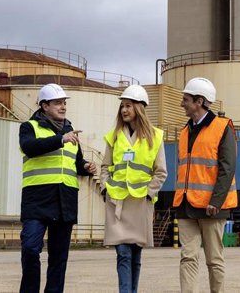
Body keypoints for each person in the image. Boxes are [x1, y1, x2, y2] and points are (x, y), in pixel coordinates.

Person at [19, 83, 97, 293]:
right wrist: (61, 139)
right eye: (58, 103)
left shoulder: (71, 132)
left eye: (64, 103)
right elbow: (30, 148)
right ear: (44, 106)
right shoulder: (29, 127)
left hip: (65, 201)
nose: (63, 106)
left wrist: (86, 167)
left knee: (59, 257)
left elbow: (76, 163)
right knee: (30, 249)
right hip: (37, 201)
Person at [172, 77, 237, 293]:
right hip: (186, 204)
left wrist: (216, 201)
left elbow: (227, 168)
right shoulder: (184, 131)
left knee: (214, 260)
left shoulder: (222, 127)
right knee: (187, 257)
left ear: (199, 101)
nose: (182, 103)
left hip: (212, 207)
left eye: (186, 99)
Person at [101, 85, 168, 293]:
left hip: (140, 202)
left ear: (139, 108)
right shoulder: (113, 136)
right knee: (123, 253)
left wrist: (149, 193)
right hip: (118, 202)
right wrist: (105, 189)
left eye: (128, 106)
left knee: (136, 255)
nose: (124, 110)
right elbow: (105, 167)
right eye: (122, 106)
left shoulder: (155, 137)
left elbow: (161, 172)